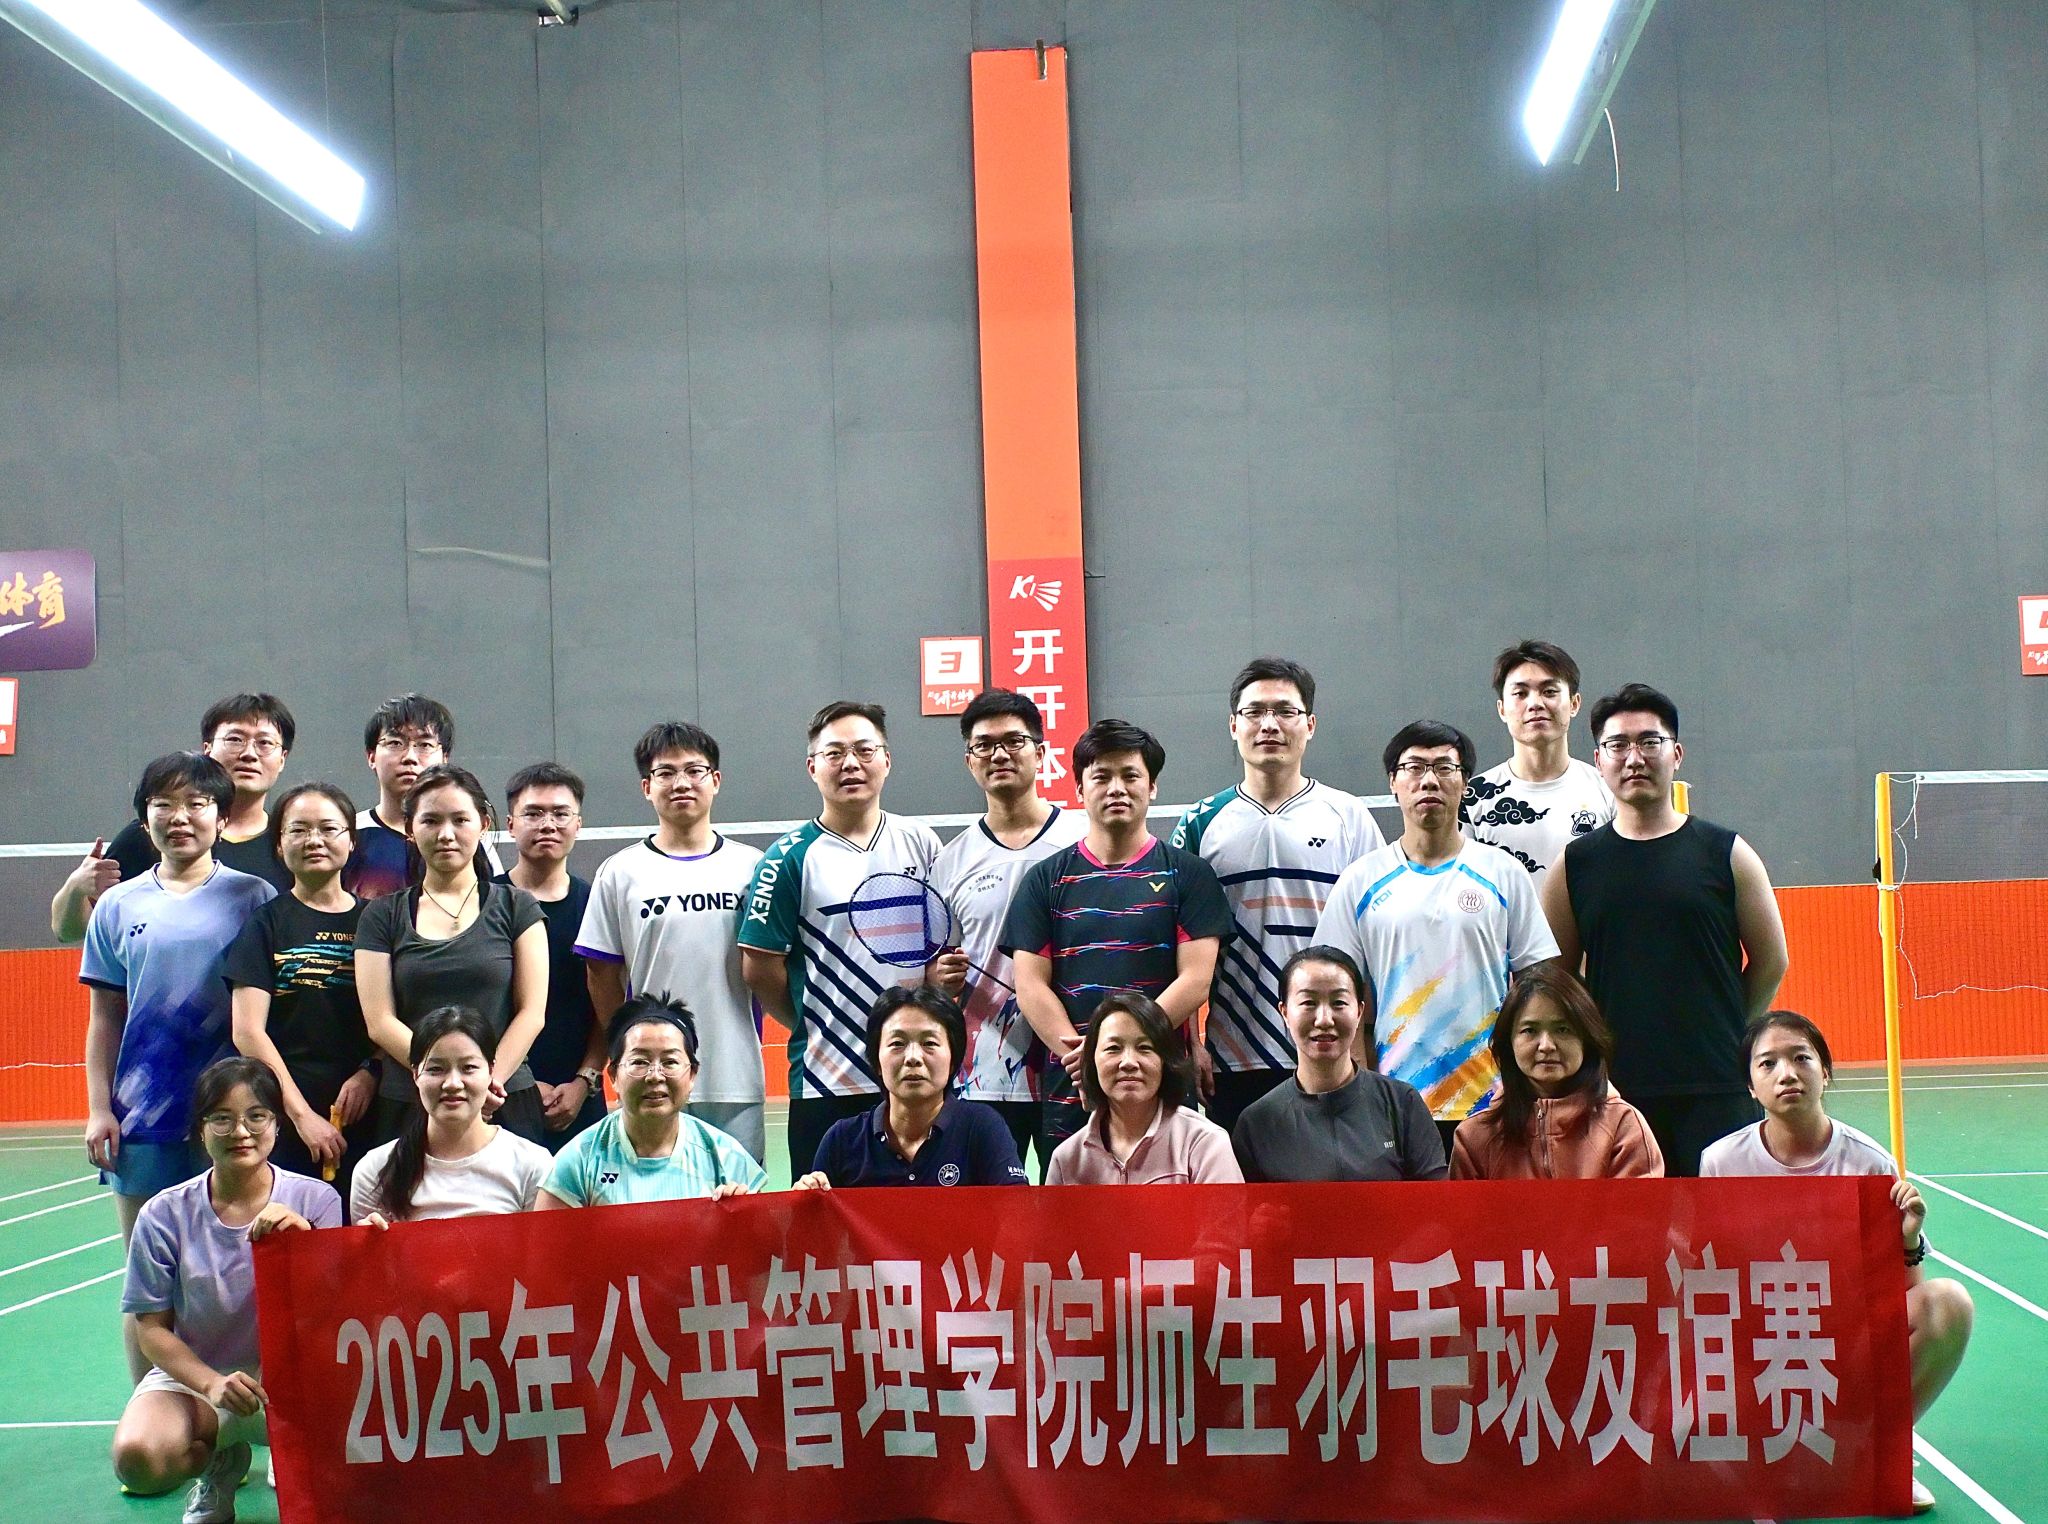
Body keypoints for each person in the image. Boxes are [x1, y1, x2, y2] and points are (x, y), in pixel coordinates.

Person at [1702, 1011, 1973, 1515]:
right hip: (1760, 1336)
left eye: (1801, 1058)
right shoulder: (1721, 1162)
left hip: (1843, 1335)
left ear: (1825, 1073)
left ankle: (1878, 1451)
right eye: (1768, 1063)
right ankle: (1769, 1461)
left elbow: (1905, 1292)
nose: (1787, 1073)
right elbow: (1714, 1277)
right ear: (1751, 1087)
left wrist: (1907, 1239)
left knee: (1948, 1304)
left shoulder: (1869, 1162)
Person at [81, 753, 278, 1380]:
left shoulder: (255, 898)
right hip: (144, 1117)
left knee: (253, 1269)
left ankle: (260, 1410)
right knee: (149, 1280)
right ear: (145, 820)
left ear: (222, 817)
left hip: (236, 1117)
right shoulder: (117, 906)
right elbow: (104, 1018)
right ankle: (155, 1407)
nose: (180, 817)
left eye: (197, 804)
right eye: (164, 804)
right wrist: (98, 1107)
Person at [1542, 683, 1791, 1176]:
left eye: (1649, 742)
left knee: (1719, 1221)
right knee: (1628, 1222)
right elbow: (1556, 982)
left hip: (1716, 1087)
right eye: (1618, 745)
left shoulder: (1727, 853)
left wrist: (1727, 1029)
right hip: (1614, 1090)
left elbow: (1771, 960)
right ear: (1599, 760)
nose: (1634, 757)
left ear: (1676, 754)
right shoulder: (1574, 865)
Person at [1313, 722, 1559, 1155]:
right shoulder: (1360, 881)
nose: (1429, 780)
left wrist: (1526, 1080)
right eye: (1414, 767)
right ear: (1393, 783)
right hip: (1393, 1103)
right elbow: (1335, 991)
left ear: (1464, 783)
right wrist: (1359, 1087)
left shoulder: (1503, 873)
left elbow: (1540, 985)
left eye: (1445, 767)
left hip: (1493, 1100)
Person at [111, 1058, 340, 1521]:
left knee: (352, 1469)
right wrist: (211, 1384)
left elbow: (335, 1311)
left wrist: (306, 1245)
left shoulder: (317, 1201)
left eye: (257, 1116)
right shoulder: (162, 1214)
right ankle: (220, 1464)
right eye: (222, 1118)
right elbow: (151, 1331)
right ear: (200, 1129)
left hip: (293, 1382)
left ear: (276, 1125)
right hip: (198, 1381)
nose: (241, 1131)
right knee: (139, 1461)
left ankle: (288, 1448)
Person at [1171, 657, 1386, 1129]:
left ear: (1310, 725)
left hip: (1329, 1047)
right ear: (1233, 725)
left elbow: (1373, 941)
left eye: (1285, 711)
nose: (1269, 724)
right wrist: (1193, 1044)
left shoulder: (1349, 817)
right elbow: (1180, 943)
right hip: (1233, 1055)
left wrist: (1363, 1045)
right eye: (1255, 712)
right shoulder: (1201, 822)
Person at [1002, 718, 1231, 1160]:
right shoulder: (1045, 880)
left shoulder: (1188, 875)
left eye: (1130, 775)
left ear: (1153, 786)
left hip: (1163, 1081)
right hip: (1073, 1088)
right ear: (1079, 789)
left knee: (1168, 1198)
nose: (1117, 789)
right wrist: (1083, 1058)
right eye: (1101, 777)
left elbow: (1195, 980)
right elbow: (1030, 984)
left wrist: (1118, 1048)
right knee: (1075, 1201)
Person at [740, 701, 943, 1178]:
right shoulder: (785, 859)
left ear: (886, 760)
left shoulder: (922, 843)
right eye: (834, 754)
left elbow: (940, 952)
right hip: (825, 1082)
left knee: (924, 1214)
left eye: (864, 750)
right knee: (822, 1217)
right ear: (813, 767)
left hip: (916, 1078)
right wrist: (813, 1021)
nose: (851, 764)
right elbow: (760, 969)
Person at [577, 723, 766, 1161]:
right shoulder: (619, 872)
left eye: (694, 770)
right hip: (651, 1080)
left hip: (735, 1076)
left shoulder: (754, 867)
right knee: (655, 1196)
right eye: (665, 773)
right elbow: (601, 974)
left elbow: (772, 966)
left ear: (715, 780)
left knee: (740, 1199)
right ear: (647, 787)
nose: (681, 783)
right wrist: (627, 1048)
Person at [926, 690, 1086, 1174]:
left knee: (1081, 1204)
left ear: (1041, 752)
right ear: (969, 761)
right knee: (993, 1210)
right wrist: (942, 979)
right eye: (984, 745)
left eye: (1014, 741)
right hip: (987, 1076)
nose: (999, 754)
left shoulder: (1085, 839)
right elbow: (937, 971)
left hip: (1077, 1063)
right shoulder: (950, 861)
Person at [355, 766, 549, 1146]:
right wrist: (442, 1079)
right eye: (431, 821)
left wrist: (485, 1083)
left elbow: (531, 1012)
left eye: (460, 820)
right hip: (410, 1103)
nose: (446, 834)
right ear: (411, 830)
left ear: (483, 824)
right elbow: (379, 1021)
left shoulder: (517, 907)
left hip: (502, 1097)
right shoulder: (382, 915)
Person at [225, 783, 379, 1203]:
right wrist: (301, 1116)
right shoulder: (265, 924)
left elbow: (399, 1012)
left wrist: (371, 1071)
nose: (314, 840)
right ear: (279, 845)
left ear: (351, 841)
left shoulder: (378, 921)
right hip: (289, 1117)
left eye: (328, 828)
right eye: (299, 830)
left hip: (372, 1111)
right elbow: (247, 1032)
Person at [51, 693, 294, 941]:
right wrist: (75, 888)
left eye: (265, 743)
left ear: (282, 759)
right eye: (235, 739)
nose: (249, 754)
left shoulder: (291, 842)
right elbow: (71, 931)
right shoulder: (152, 835)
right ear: (207, 749)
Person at [1233, 947, 1446, 1182]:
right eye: (1308, 1002)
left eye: (1339, 1003)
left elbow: (1435, 1199)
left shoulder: (1401, 1103)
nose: (1324, 1019)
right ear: (1284, 1012)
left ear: (1359, 1011)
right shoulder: (1256, 1123)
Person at [538, 996, 767, 1207]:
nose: (655, 1076)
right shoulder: (578, 1161)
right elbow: (548, 1237)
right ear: (614, 1076)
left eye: (670, 1062)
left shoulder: (727, 1158)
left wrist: (741, 1219)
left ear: (692, 1075)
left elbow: (763, 1236)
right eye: (639, 1061)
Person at [1448, 963, 1663, 1179]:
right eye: (1530, 1030)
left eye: (1562, 1029)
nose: (1546, 1046)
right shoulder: (1475, 1137)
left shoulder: (1623, 1126)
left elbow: (1640, 1202)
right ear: (1509, 1043)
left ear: (1587, 1039)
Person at [797, 988, 1028, 1188]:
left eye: (929, 1043)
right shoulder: (842, 1140)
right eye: (897, 1043)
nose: (913, 1057)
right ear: (877, 1061)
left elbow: (1015, 1209)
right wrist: (807, 1200)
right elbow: (816, 1224)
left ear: (953, 1059)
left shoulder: (984, 1129)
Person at [351, 1006, 554, 1222]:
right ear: (415, 1074)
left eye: (468, 1067)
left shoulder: (532, 1165)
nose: (453, 1084)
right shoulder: (375, 1170)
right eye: (436, 1069)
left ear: (490, 1071)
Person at [499, 762, 604, 1151]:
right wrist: (517, 1081)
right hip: (499, 1097)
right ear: (511, 824)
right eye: (533, 813)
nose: (548, 824)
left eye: (561, 814)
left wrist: (585, 1081)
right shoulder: (483, 903)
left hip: (579, 1100)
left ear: (578, 824)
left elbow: (608, 1005)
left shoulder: (597, 905)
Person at [1044, 992, 1242, 1185]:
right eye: (1113, 1048)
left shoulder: (1204, 1143)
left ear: (1165, 1061)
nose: (1128, 1062)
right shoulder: (1066, 1160)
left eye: (1145, 1048)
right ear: (1091, 1061)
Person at [1461, 641, 1614, 880]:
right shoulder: (1472, 797)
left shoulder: (1609, 790)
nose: (1535, 704)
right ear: (1502, 709)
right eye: (1520, 694)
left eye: (1549, 692)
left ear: (1574, 704)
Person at [344, 693, 501, 901]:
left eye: (425, 745)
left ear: (445, 758)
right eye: (395, 743)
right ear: (371, 756)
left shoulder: (470, 840)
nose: (410, 757)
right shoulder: (347, 835)